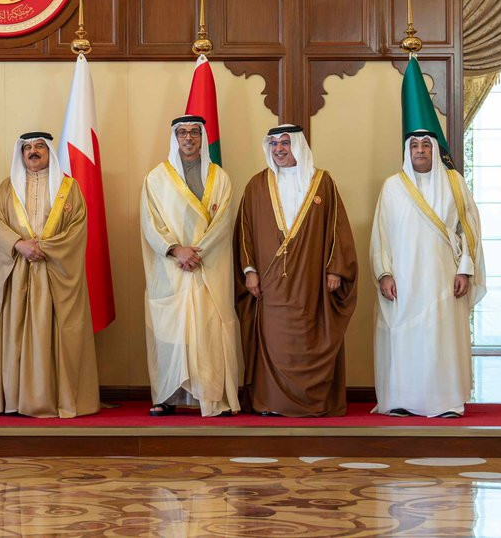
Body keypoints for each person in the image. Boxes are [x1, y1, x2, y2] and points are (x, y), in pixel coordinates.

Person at [234, 124, 358, 417]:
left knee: (309, 335)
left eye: (285, 143)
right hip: (269, 284)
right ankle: (271, 402)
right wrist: (249, 270)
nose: (279, 149)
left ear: (298, 146)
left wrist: (335, 269)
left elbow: (338, 227)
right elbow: (244, 231)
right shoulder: (256, 185)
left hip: (311, 282)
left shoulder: (322, 182)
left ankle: (312, 402)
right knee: (274, 339)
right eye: (274, 144)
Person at [370, 130, 485, 418]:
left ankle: (446, 401)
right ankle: (402, 399)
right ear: (407, 152)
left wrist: (465, 270)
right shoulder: (392, 187)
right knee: (404, 336)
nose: (420, 150)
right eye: (414, 146)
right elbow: (381, 234)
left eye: (425, 145)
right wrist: (384, 273)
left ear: (435, 149)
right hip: (404, 278)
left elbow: (469, 231)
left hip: (443, 276)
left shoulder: (454, 183)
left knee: (441, 338)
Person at [0, 131, 99, 418]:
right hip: (19, 274)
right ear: (21, 154)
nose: (33, 151)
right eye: (28, 148)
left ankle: (57, 398)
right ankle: (16, 400)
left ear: (50, 152)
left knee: (58, 335)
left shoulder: (69, 188)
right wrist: (19, 244)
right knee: (17, 335)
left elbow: (77, 228)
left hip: (55, 274)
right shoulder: (7, 189)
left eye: (40, 146)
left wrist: (45, 248)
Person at [140, 115, 241, 417]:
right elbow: (150, 222)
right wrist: (176, 250)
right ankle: (168, 396)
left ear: (202, 137)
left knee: (208, 332)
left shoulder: (219, 178)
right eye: (182, 133)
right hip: (171, 269)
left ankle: (210, 397)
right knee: (171, 333)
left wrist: (198, 253)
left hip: (208, 267)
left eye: (194, 132)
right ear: (175, 138)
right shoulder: (156, 178)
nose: (188, 138)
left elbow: (223, 222)